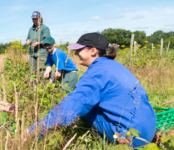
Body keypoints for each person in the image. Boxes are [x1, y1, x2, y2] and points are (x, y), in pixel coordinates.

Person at [27, 33, 156, 148]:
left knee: (83, 108)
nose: (76, 53)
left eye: (79, 50)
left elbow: (69, 109)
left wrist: (33, 130)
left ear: (93, 51)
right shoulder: (114, 65)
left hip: (129, 137)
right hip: (149, 128)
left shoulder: (95, 73)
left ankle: (98, 141)